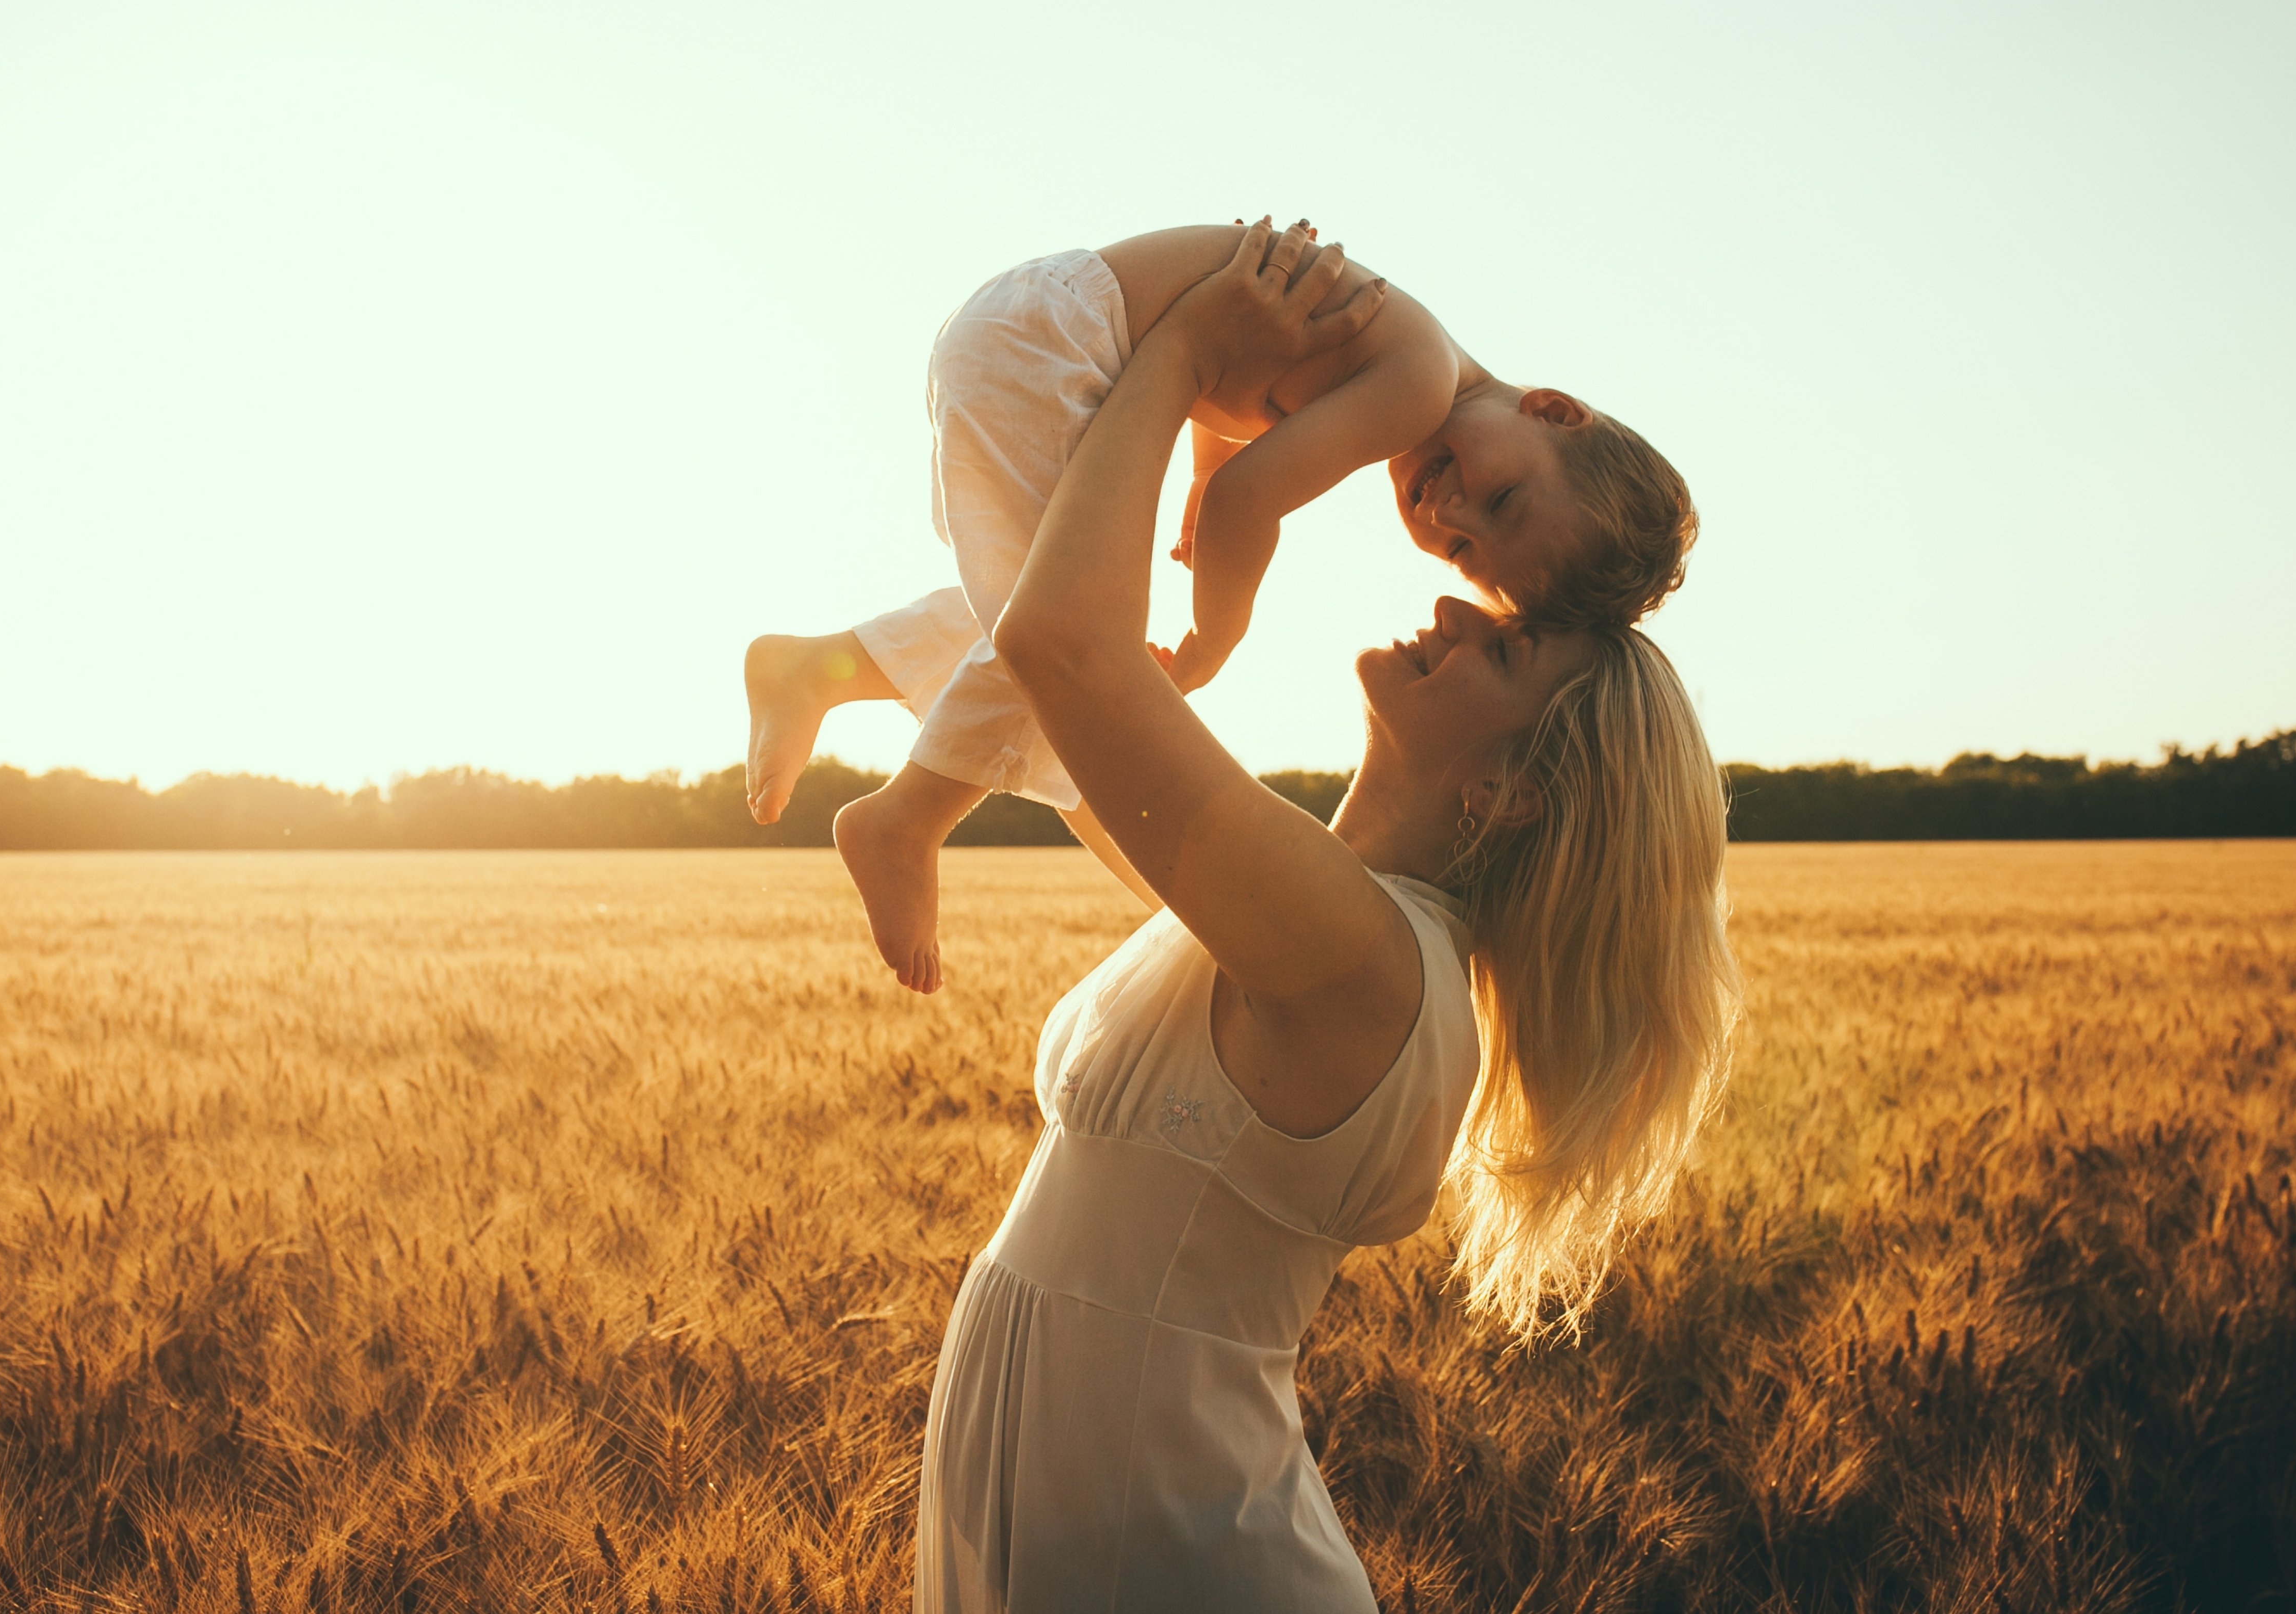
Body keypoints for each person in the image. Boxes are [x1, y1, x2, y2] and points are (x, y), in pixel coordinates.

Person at [912, 222, 1740, 1611]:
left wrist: (1181, 349)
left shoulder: (1359, 956)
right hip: (1083, 1524)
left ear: (1519, 797)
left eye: (1508, 640)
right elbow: (1060, 739)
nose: (1454, 603)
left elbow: (1066, 649)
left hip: (1170, 1556)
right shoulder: (1314, 908)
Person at [743, 220, 1697, 992]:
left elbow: (1239, 397)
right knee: (1071, 636)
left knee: (1038, 610)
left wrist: (1201, 475)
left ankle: (816, 665)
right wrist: (1216, 635)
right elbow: (1255, 500)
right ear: (1556, 411)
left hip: (1036, 327)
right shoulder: (1416, 389)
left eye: (1461, 551)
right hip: (1055, 349)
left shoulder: (1412, 355)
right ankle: (906, 818)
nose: (1449, 510)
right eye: (1503, 500)